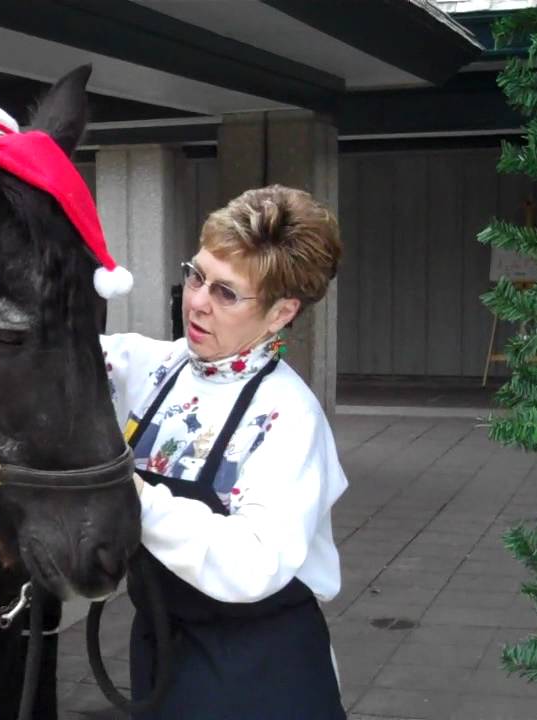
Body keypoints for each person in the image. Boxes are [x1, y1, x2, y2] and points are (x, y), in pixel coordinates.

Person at [102, 183, 348, 719]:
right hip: (164, 650)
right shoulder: (152, 368)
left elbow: (252, 563)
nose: (197, 301)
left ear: (282, 313)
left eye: (226, 293)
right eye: (197, 275)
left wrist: (133, 495)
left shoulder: (288, 417)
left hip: (259, 668)